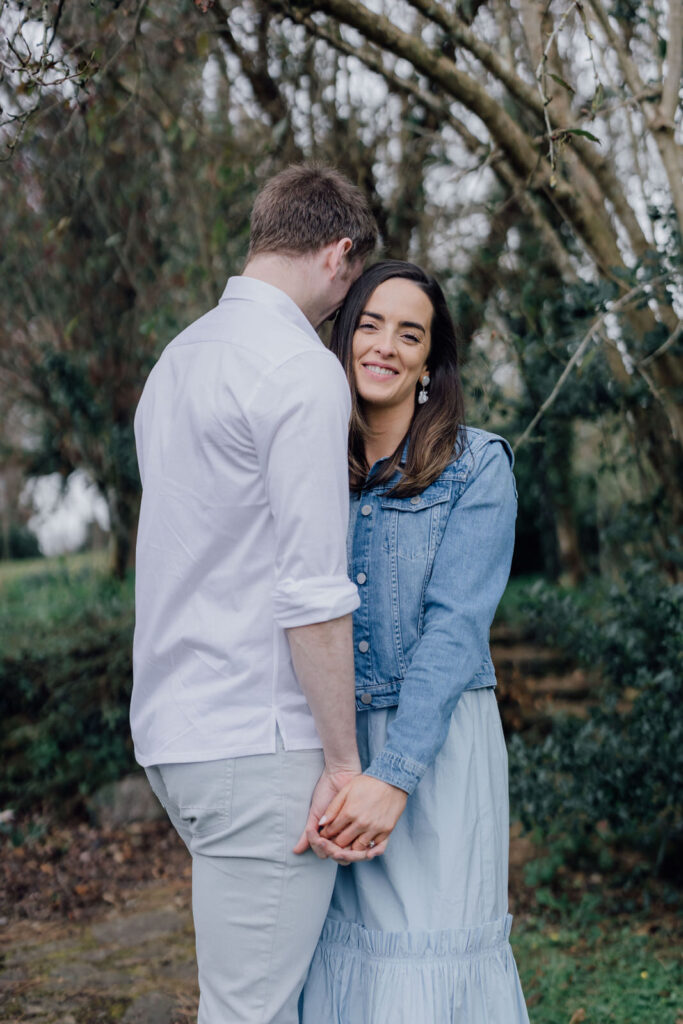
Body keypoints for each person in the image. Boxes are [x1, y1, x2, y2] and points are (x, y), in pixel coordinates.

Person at [130, 165, 381, 1024]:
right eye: (351, 282)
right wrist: (344, 766)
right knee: (249, 1013)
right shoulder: (300, 372)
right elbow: (311, 591)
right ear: (338, 253)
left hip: (176, 728)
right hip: (258, 737)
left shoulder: (177, 360)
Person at [299, 260, 530, 1023]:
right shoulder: (309, 464)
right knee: (346, 958)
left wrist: (392, 776)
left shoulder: (475, 467)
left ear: (430, 362)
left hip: (435, 744)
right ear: (342, 338)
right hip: (328, 743)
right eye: (369, 324)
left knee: (425, 960)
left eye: (410, 334)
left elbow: (455, 629)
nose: (385, 347)